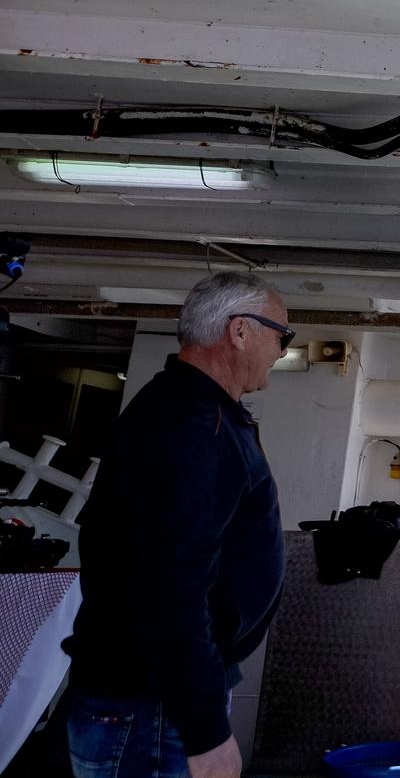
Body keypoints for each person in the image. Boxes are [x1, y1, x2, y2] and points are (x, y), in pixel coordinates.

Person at [62, 272, 290, 778]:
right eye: (282, 335)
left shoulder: (197, 412)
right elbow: (170, 583)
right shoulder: (192, 422)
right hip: (154, 708)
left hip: (159, 700)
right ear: (240, 330)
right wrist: (206, 732)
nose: (281, 350)